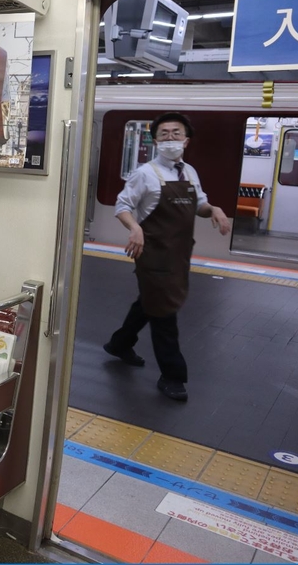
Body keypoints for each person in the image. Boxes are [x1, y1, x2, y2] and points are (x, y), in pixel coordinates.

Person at [103, 112, 230, 402]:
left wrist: (215, 210)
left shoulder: (189, 172)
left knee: (150, 303)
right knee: (164, 312)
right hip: (152, 253)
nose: (170, 138)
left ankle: (119, 343)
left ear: (186, 140)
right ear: (155, 140)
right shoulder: (145, 173)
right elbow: (122, 205)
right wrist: (134, 228)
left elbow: (199, 204)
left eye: (176, 133)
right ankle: (172, 375)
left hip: (179, 252)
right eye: (164, 134)